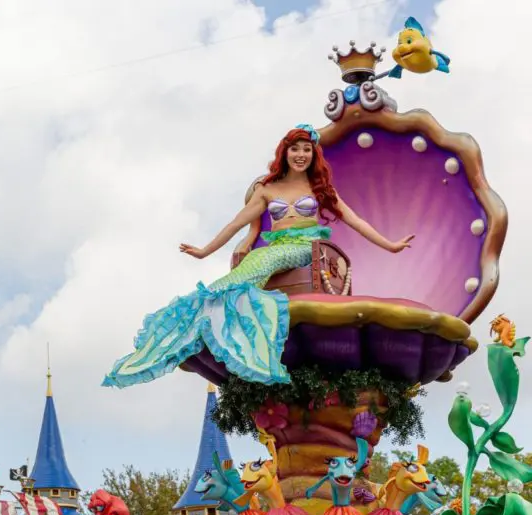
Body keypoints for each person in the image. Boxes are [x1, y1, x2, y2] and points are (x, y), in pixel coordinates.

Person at [102, 124, 414, 388]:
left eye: (306, 150)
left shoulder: (320, 188)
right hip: (275, 248)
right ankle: (207, 315)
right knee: (244, 272)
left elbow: (355, 220)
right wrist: (204, 251)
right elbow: (236, 223)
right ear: (285, 153)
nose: (301, 155)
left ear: (314, 155)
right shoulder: (267, 189)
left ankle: (227, 316)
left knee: (263, 262)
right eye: (295, 149)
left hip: (307, 246)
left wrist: (391, 245)